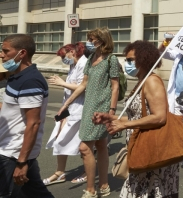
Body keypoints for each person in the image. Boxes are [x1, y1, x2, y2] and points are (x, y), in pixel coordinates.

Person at [94, 40, 179, 198]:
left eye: (130, 60)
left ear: (144, 59)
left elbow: (159, 117)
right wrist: (112, 117)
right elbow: (139, 115)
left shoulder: (152, 81)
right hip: (142, 151)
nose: (127, 63)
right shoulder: (141, 81)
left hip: (152, 153)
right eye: (127, 60)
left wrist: (125, 125)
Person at [57, 27, 120, 198]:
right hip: (88, 107)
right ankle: (104, 184)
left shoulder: (111, 59)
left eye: (93, 39)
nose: (90, 42)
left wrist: (112, 111)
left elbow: (115, 86)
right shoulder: (91, 57)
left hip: (103, 107)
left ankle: (91, 189)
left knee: (85, 147)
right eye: (90, 39)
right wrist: (66, 104)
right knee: (100, 146)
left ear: (103, 40)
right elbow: (83, 85)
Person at [0, 34, 54, 197]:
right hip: (11, 149)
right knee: (35, 193)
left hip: (13, 154)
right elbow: (13, 110)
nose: (1, 54)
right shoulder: (17, 77)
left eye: (5, 51)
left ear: (22, 53)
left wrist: (22, 162)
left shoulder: (30, 82)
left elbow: (33, 123)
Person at [43, 43, 87, 185]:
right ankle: (60, 172)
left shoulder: (84, 64)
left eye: (63, 56)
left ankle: (87, 171)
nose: (63, 59)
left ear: (72, 52)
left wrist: (61, 83)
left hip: (79, 108)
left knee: (84, 143)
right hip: (68, 108)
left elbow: (83, 87)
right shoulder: (73, 65)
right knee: (59, 137)